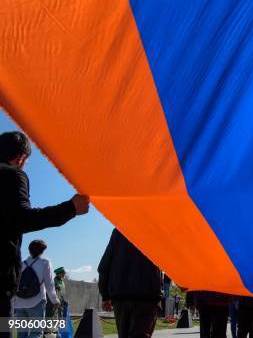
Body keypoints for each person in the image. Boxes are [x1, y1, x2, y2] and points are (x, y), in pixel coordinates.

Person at [0, 131, 90, 337]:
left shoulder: (26, 264)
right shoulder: (13, 174)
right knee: (26, 331)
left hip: (18, 300)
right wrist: (71, 208)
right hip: (7, 287)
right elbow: (21, 218)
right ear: (20, 158)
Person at [98, 228, 163, 338]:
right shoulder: (156, 229)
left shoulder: (119, 230)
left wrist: (105, 295)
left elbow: (104, 265)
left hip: (121, 297)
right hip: (147, 295)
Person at [12, 240, 61, 338]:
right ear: (42, 251)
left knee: (21, 334)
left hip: (19, 303)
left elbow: (15, 283)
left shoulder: (21, 264)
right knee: (35, 333)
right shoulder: (45, 262)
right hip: (37, 301)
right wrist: (55, 300)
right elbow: (49, 284)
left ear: (29, 250)